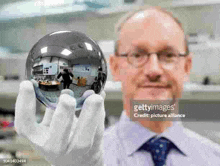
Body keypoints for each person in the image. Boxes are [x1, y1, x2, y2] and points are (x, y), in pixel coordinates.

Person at [14, 6, 220, 166]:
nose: (154, 69)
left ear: (187, 66)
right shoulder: (83, 157)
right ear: (115, 66)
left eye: (169, 55)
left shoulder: (215, 158)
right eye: (137, 55)